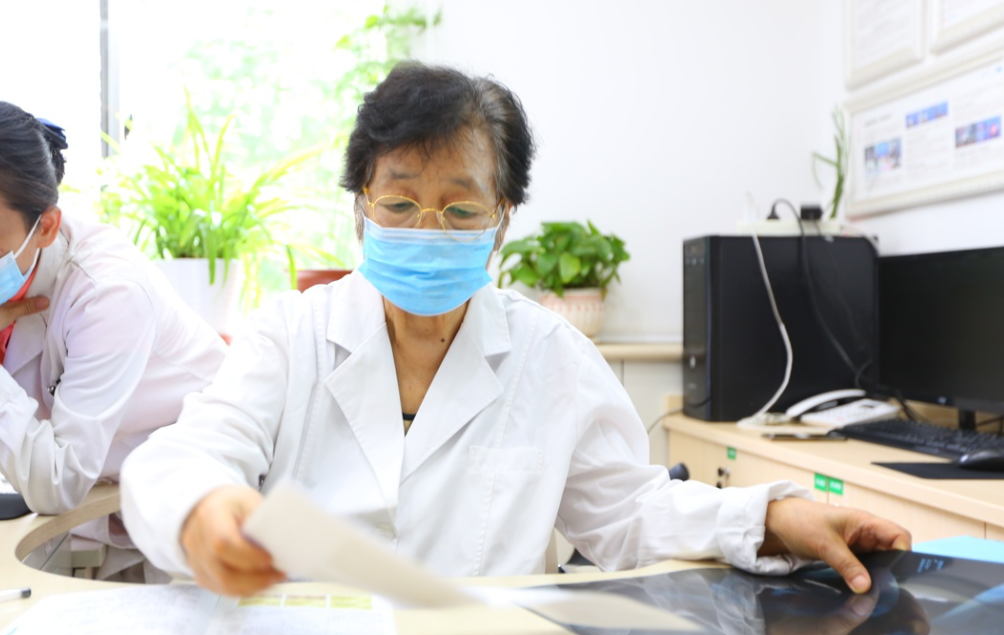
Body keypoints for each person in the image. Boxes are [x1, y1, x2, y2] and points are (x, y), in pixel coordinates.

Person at [120, 62, 910, 596]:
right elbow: (184, 455)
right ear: (360, 205)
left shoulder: (549, 354)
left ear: (502, 220)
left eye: (461, 207)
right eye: (399, 202)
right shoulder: (291, 334)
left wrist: (767, 517)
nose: (428, 227)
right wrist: (202, 507)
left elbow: (627, 511)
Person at [0, 102, 227, 550]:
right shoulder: (20, 274)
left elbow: (59, 481)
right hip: (105, 508)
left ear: (46, 228)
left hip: (200, 510)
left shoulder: (108, 293)